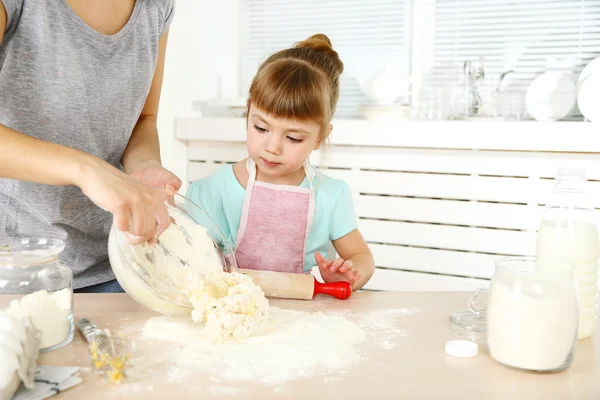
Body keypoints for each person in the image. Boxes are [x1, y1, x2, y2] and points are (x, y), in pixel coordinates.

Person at [0, 0, 182, 292]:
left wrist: (144, 165)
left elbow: (144, 119)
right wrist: (86, 170)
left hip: (118, 263)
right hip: (15, 267)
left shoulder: (157, 6)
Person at [186, 34, 374, 290]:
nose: (272, 148)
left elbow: (361, 258)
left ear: (320, 138)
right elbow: (190, 260)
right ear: (248, 113)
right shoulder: (212, 191)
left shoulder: (331, 195)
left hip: (301, 317)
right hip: (231, 313)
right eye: (261, 128)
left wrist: (349, 276)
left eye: (293, 138)